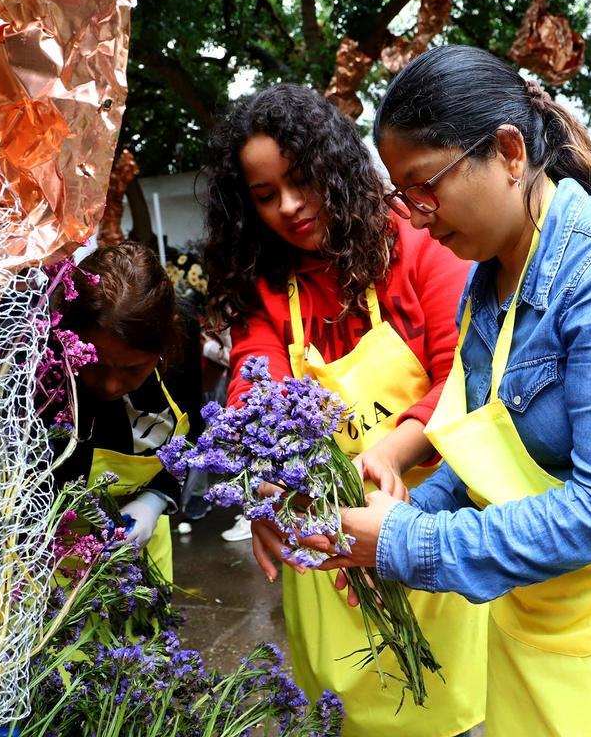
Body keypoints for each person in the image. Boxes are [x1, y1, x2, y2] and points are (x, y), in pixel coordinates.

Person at [306, 45, 591, 736]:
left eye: (427, 185)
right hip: (539, 624)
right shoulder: (487, 284)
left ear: (510, 151)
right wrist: (403, 511)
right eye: (403, 195)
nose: (418, 216)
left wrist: (409, 544)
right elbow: (486, 450)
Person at [197, 84, 487, 736]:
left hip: (427, 522)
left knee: (451, 711)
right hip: (325, 547)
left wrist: (388, 453)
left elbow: (463, 377)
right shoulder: (269, 286)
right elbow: (254, 393)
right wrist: (264, 485)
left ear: (336, 164)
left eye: (301, 181)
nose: (290, 208)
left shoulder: (416, 244)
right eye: (266, 195)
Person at [55, 241, 203, 582]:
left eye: (132, 369)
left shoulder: (183, 346)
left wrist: (156, 499)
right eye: (97, 366)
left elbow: (193, 429)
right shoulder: (53, 382)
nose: (109, 385)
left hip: (144, 541)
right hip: (61, 560)